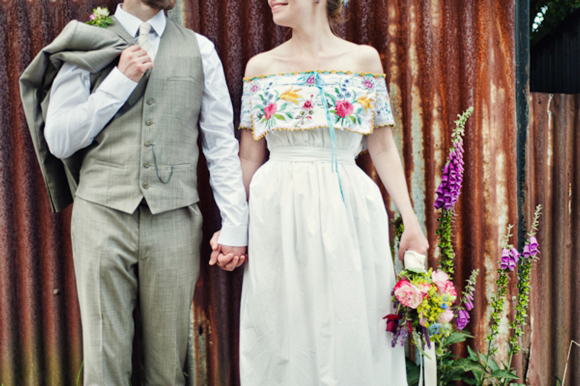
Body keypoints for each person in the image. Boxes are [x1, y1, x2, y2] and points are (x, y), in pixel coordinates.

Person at [20, 0, 248, 384]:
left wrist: (236, 226)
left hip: (174, 219)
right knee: (104, 361)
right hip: (101, 216)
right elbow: (59, 139)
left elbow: (221, 146)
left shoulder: (200, 49)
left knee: (169, 365)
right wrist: (119, 81)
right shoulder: (87, 43)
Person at [218, 0, 429, 384]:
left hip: (347, 206)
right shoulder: (260, 68)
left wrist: (411, 223)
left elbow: (381, 146)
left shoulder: (363, 60)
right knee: (281, 323)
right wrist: (232, 226)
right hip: (277, 209)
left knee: (352, 316)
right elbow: (249, 157)